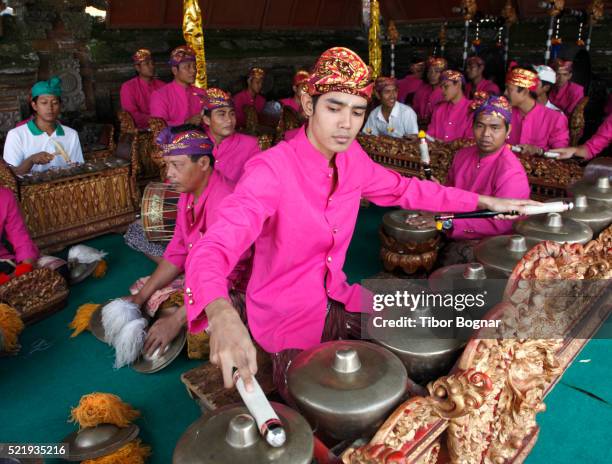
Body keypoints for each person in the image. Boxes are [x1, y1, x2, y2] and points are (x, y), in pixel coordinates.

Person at [183, 47, 541, 394]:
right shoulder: (270, 171)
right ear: (309, 104)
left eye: (357, 112)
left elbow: (406, 190)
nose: (346, 124)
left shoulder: (351, 157)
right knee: (332, 403)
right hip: (285, 319)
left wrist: (485, 200)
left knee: (430, 331)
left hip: (338, 298)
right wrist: (221, 314)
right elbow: (212, 247)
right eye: (334, 108)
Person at [126, 127, 250, 356]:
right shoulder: (187, 193)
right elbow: (178, 250)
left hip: (237, 288)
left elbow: (228, 275)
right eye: (168, 165)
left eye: (177, 165)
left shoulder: (226, 203)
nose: (169, 174)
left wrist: (175, 319)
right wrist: (140, 298)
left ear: (203, 163)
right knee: (143, 291)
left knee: (200, 329)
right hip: (203, 276)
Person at [444, 95, 530, 239]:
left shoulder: (511, 172)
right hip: (450, 224)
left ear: (508, 131)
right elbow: (450, 192)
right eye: (480, 126)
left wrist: (448, 223)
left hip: (489, 242)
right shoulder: (462, 155)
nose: (486, 134)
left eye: (495, 128)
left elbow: (501, 223)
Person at [3, 77, 84, 175]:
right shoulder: (16, 135)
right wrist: (31, 160)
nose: (50, 108)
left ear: (60, 106)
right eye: (44, 103)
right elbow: (10, 177)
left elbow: (78, 167)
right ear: (34, 105)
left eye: (54, 103)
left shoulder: (71, 134)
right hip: (30, 190)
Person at [201, 87, 261, 184]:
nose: (229, 120)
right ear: (207, 120)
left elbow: (254, 183)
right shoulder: (195, 143)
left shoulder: (250, 145)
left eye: (232, 114)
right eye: (221, 114)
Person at [504, 66, 569, 155]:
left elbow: (561, 154)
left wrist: (539, 151)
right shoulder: (503, 113)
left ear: (524, 92)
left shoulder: (555, 119)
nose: (505, 93)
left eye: (509, 89)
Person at [149, 46, 204, 127]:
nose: (193, 70)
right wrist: (186, 122)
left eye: (194, 66)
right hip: (172, 139)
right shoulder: (160, 95)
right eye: (187, 67)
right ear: (175, 70)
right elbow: (158, 128)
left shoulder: (201, 93)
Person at [119, 48, 165, 129]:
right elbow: (132, 115)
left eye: (152, 63)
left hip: (164, 127)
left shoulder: (162, 86)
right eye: (147, 64)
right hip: (141, 131)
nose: (151, 66)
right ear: (137, 67)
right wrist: (157, 120)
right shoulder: (128, 87)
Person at [427, 70, 473, 142]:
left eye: (446, 86)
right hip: (436, 152)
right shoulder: (439, 108)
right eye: (441, 87)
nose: (442, 90)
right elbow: (429, 136)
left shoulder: (472, 108)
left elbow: (470, 141)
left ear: (458, 84)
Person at [412, 57, 447, 121]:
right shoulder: (422, 90)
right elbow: (414, 110)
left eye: (436, 71)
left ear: (444, 73)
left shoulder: (447, 92)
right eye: (429, 71)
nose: (432, 75)